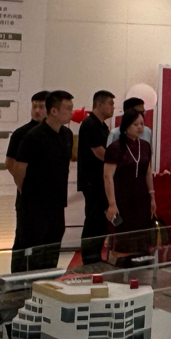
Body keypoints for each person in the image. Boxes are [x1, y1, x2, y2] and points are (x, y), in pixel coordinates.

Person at [10, 90, 74, 272]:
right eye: (68, 108)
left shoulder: (67, 135)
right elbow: (19, 170)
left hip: (57, 203)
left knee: (52, 248)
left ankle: (47, 283)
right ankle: (24, 284)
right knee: (32, 249)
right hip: (34, 205)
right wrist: (27, 194)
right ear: (54, 111)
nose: (71, 112)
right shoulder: (32, 136)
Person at [103, 107, 155, 264]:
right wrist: (112, 204)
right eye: (135, 124)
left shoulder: (145, 145)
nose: (140, 127)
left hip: (141, 198)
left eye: (142, 124)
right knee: (122, 238)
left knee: (141, 238)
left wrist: (152, 196)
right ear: (126, 126)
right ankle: (118, 267)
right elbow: (107, 176)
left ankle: (140, 267)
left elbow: (148, 172)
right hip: (122, 199)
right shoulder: (115, 148)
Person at [5, 91, 48, 272]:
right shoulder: (21, 133)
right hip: (27, 194)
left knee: (46, 239)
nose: (37, 110)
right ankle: (18, 276)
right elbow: (10, 164)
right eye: (34, 106)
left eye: (41, 107)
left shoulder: (59, 133)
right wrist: (24, 186)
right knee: (23, 238)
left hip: (49, 197)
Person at [77, 90, 115, 265]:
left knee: (101, 222)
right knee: (93, 220)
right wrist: (118, 160)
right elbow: (100, 153)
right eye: (110, 103)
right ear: (99, 104)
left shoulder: (102, 126)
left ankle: (96, 256)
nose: (113, 107)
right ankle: (89, 258)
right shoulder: (89, 124)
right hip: (92, 181)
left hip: (101, 181)